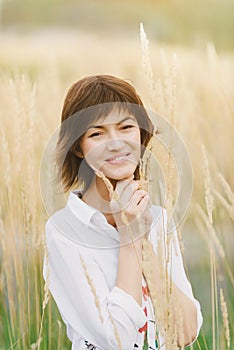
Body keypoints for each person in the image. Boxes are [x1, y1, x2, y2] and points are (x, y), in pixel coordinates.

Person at [43, 75, 203, 350]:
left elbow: (186, 332)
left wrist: (140, 235)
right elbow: (117, 341)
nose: (115, 143)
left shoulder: (158, 219)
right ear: (78, 148)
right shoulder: (65, 231)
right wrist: (130, 237)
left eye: (126, 127)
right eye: (96, 133)